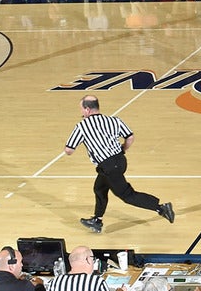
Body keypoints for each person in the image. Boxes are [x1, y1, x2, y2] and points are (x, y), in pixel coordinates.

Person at [58, 95, 176, 232]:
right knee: (99, 188)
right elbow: (130, 137)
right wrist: (123, 149)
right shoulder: (113, 120)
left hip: (108, 166)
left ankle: (161, 208)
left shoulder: (82, 126)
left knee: (127, 195)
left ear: (87, 109)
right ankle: (97, 220)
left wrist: (71, 149)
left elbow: (69, 150)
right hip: (120, 161)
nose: (81, 113)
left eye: (82, 109)